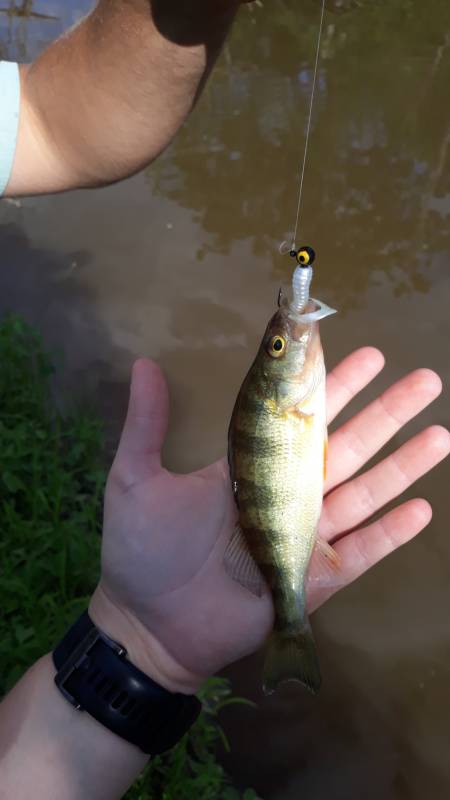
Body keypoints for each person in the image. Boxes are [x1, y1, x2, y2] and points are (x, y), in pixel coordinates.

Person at [1, 2, 449, 799]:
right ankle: (289, 624)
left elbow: (52, 121)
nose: (288, 338)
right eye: (278, 346)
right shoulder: (291, 382)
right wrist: (143, 641)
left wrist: (136, 640)